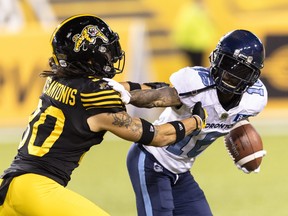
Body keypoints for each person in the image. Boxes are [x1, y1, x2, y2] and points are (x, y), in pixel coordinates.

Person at [0, 14, 207, 216]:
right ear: (88, 55)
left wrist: (169, 90)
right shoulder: (96, 97)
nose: (110, 56)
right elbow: (158, 136)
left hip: (11, 185)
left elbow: (123, 89)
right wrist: (195, 121)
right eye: (105, 51)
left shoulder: (58, 79)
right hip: (37, 190)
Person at [108, 29, 268, 216]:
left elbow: (234, 116)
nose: (228, 74)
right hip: (151, 159)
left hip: (181, 170)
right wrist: (128, 97)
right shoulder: (197, 83)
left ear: (252, 76)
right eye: (227, 64)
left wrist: (245, 145)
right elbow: (160, 97)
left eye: (239, 70)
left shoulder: (254, 100)